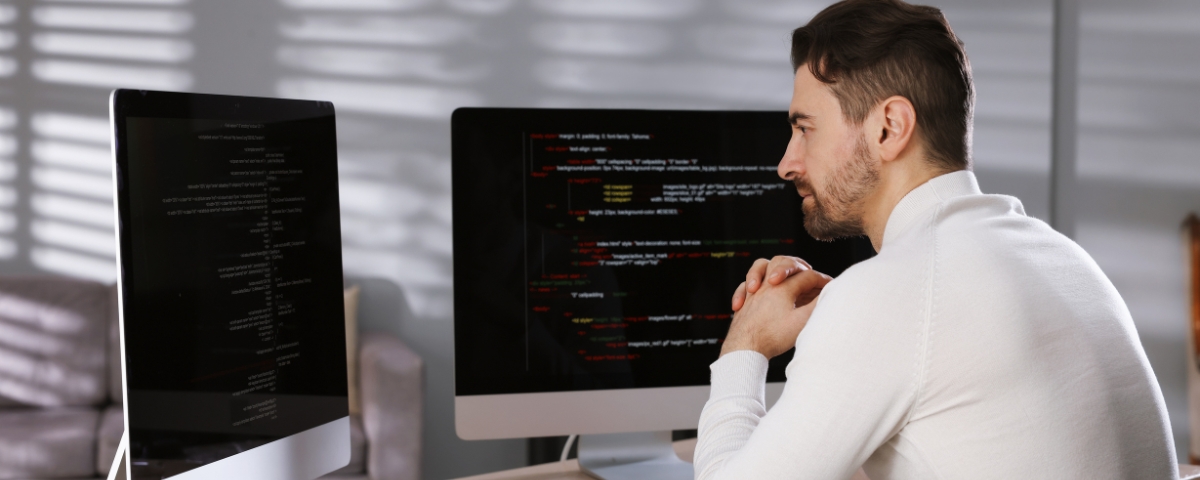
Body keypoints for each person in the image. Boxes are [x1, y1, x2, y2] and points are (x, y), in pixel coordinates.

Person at [692, 0, 1178, 479]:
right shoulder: (1064, 258)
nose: (787, 163)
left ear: (890, 127)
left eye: (805, 129)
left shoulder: (887, 297)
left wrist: (746, 345)